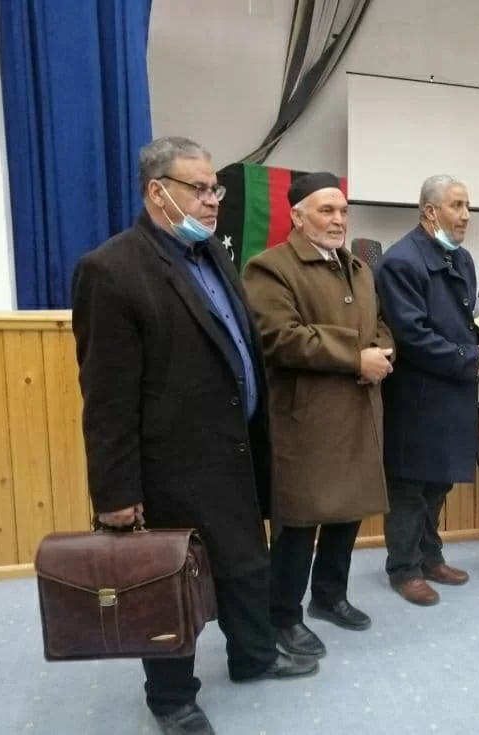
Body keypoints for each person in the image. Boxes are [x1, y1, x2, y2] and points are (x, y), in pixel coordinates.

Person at [71, 137, 316, 735]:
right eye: (199, 189)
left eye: (216, 189)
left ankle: (253, 657)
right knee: (166, 583)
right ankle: (172, 699)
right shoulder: (111, 270)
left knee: (245, 567)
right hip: (171, 467)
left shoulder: (213, 254)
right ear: (158, 192)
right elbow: (106, 399)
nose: (213, 201)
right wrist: (115, 495)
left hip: (235, 448)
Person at [242, 172, 393, 660]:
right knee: (300, 523)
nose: (338, 220)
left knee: (348, 512)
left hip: (359, 411)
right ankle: (283, 615)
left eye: (343, 211)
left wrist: (383, 351)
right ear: (297, 216)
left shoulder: (359, 268)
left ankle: (329, 596)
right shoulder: (269, 268)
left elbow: (379, 324)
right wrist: (356, 358)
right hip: (306, 421)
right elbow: (279, 337)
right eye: (326, 210)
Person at [375, 174, 479, 605]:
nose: (466, 215)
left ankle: (430, 557)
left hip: (451, 392)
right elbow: (411, 334)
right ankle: (404, 568)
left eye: (468, 206)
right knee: (409, 486)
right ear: (430, 211)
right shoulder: (400, 262)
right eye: (457, 206)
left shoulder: (461, 259)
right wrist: (467, 357)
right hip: (416, 395)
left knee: (438, 483)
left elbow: (462, 320)